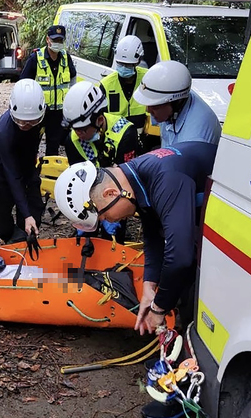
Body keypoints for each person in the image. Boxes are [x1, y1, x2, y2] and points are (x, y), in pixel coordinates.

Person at [54, 141, 217, 335]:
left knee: (193, 289)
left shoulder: (165, 180)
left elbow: (180, 256)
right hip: (210, 218)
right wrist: (149, 285)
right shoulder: (136, 176)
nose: (109, 220)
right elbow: (153, 230)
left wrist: (158, 309)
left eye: (104, 216)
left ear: (110, 193)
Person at [61, 81, 139, 242]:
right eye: (75, 129)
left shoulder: (125, 134)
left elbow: (128, 181)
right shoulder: (73, 140)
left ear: (100, 120)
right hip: (89, 194)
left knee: (112, 237)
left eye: (83, 129)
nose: (78, 134)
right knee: (85, 239)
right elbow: (78, 180)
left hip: (116, 193)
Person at [0, 79, 46, 244]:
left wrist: (29, 215)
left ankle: (26, 242)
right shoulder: (5, 131)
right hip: (0, 176)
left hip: (27, 169)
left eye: (32, 122)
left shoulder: (38, 120)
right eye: (21, 121)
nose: (26, 125)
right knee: (4, 229)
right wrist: (26, 215)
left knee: (34, 214)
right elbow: (12, 175)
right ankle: (15, 242)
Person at [134, 60, 221, 147]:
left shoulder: (194, 138)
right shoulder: (172, 97)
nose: (148, 110)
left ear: (176, 102)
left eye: (155, 106)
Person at [20, 24, 77, 155]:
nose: (57, 43)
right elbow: (24, 83)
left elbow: (73, 78)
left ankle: (50, 172)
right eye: (55, 40)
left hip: (57, 113)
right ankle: (31, 171)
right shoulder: (36, 58)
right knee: (32, 143)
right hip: (38, 111)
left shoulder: (65, 58)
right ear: (47, 40)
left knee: (54, 145)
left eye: (60, 41)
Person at [99, 35, 148, 131]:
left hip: (141, 136)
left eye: (128, 64)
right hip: (115, 138)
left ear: (138, 61)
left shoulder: (147, 78)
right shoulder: (106, 84)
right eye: (121, 64)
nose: (124, 67)